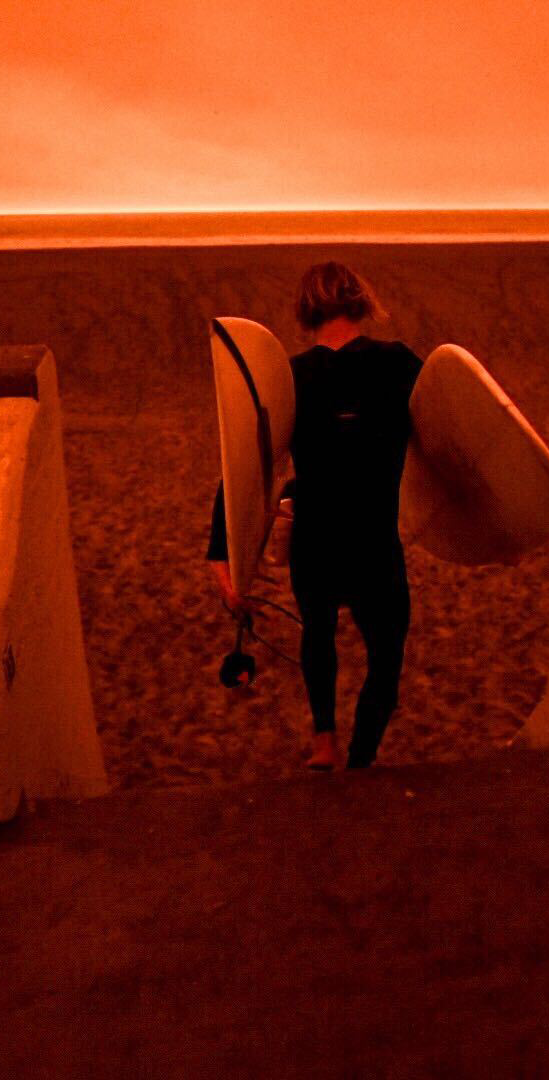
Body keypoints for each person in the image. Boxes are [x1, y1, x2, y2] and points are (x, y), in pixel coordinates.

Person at [206, 263, 422, 771]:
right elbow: (449, 437)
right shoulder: (398, 365)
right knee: (386, 658)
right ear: (361, 300)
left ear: (306, 312)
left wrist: (224, 555)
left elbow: (246, 465)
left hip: (316, 537)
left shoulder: (291, 377)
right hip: (374, 539)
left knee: (318, 634)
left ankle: (323, 741)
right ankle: (361, 759)